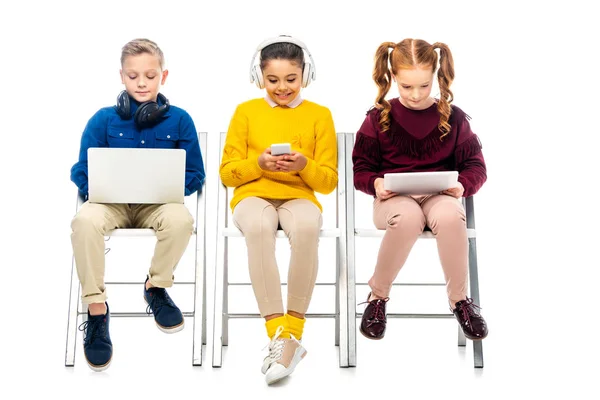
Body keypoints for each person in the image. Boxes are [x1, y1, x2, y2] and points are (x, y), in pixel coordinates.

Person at [70, 38, 205, 371]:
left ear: (164, 75)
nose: (141, 83)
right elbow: (80, 170)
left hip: (156, 205)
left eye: (149, 75)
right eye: (133, 76)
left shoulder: (180, 120)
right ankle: (96, 308)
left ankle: (155, 287)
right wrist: (98, 189)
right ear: (121, 76)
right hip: (110, 204)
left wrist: (171, 187)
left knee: (181, 220)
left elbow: (196, 174)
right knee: (83, 221)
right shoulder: (102, 120)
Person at [352, 38, 488, 343]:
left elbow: (476, 167)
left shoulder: (453, 117)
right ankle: (377, 298)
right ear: (393, 79)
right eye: (406, 87)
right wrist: (375, 183)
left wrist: (461, 185)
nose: (416, 95)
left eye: (424, 86)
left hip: (440, 197)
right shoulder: (378, 118)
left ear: (436, 78)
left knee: (452, 216)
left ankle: (460, 301)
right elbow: (361, 168)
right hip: (393, 201)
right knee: (409, 217)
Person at [219, 35, 337, 385]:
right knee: (258, 228)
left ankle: (292, 334)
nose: (282, 88)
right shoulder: (246, 112)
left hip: (300, 196)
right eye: (273, 80)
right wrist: (259, 164)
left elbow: (328, 181)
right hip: (252, 195)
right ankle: (278, 333)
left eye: (291, 79)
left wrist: (303, 164)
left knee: (305, 229)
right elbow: (227, 173)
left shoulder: (320, 115)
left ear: (306, 75)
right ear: (260, 77)